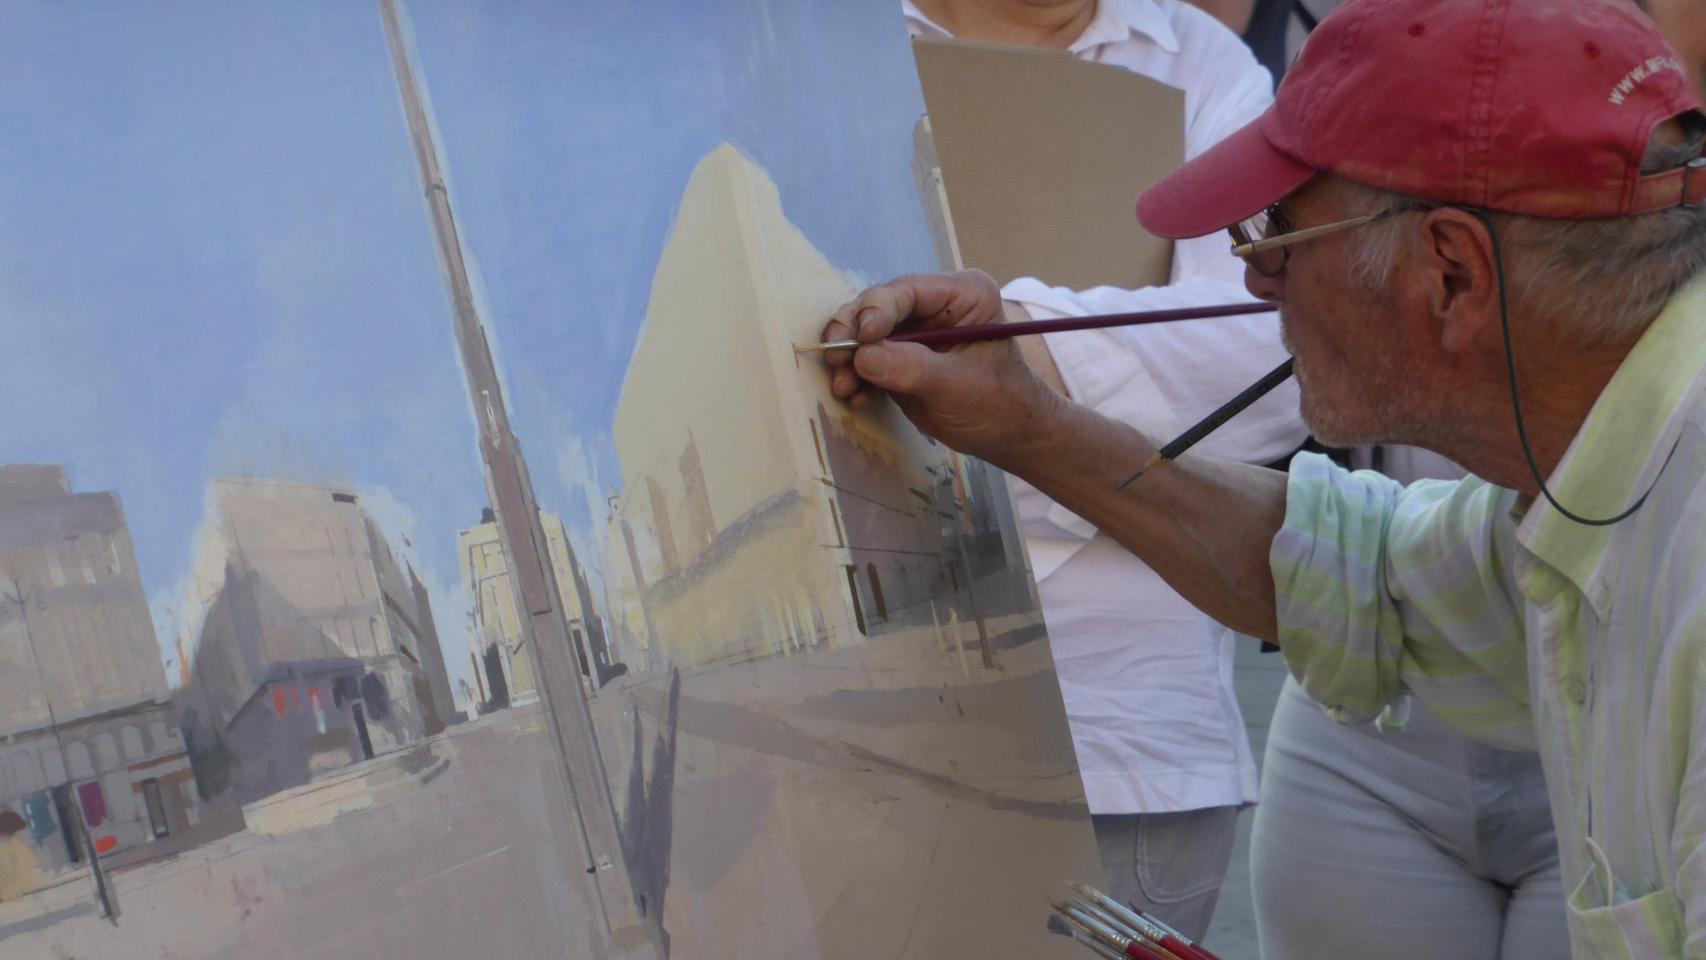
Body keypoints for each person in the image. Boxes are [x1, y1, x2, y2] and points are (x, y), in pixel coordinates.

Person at [824, 0, 1706, 955]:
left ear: (1449, 273)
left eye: (1278, 233)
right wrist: (1028, 422)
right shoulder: (1606, 478)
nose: (1253, 283)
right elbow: (1352, 575)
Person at [904, 0, 1304, 937]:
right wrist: (1095, 444)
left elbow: (1277, 349)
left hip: (1125, 736)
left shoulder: (1203, 63)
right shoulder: (800, 40)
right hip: (857, 735)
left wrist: (998, 375)